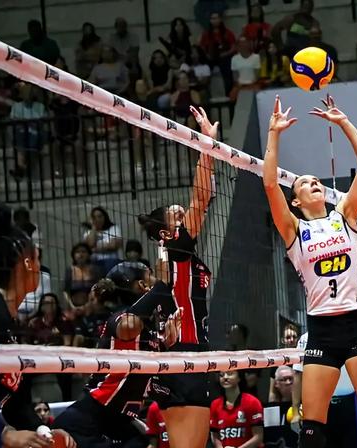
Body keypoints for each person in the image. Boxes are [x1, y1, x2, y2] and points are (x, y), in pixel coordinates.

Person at [263, 95, 357, 448]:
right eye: (304, 183)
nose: (313, 183)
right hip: (321, 331)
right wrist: (274, 134)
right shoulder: (293, 231)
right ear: (297, 202)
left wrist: (343, 123)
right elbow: (270, 185)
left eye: (316, 180)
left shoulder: (345, 216)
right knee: (312, 429)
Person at [136, 106, 217, 448]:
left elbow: (202, 199)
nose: (182, 212)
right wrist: (206, 145)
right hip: (183, 352)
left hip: (191, 354)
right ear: (165, 234)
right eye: (175, 215)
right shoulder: (177, 250)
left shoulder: (177, 254)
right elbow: (203, 195)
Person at [54, 262, 181, 448]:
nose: (155, 279)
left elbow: (145, 376)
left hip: (116, 422)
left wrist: (167, 344)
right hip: (86, 421)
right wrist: (162, 284)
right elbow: (129, 326)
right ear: (142, 286)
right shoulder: (119, 317)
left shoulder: (147, 330)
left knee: (141, 442)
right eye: (151, 276)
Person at [0, 204, 76, 448]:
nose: (39, 265)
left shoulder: (5, 316)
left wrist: (43, 430)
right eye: (38, 257)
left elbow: (16, 401)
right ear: (27, 263)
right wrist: (4, 434)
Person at [292, 331, 357, 448]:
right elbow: (298, 374)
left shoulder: (354, 334)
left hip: (351, 406)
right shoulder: (306, 338)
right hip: (319, 406)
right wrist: (296, 412)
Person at [210, 371, 265, 448]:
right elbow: (215, 437)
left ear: (239, 378)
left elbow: (258, 437)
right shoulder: (215, 405)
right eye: (221, 375)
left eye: (230, 374)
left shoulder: (252, 402)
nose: (225, 377)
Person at [200, 12, 237, 96]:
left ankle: (229, 94)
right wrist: (207, 55)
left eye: (216, 18)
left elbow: (233, 47)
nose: (215, 20)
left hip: (225, 57)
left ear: (220, 19)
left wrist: (225, 54)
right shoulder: (206, 34)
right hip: (210, 58)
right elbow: (202, 48)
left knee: (228, 71)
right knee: (205, 69)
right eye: (212, 18)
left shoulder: (228, 32)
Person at [82, 206, 123, 276]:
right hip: (94, 261)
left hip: (110, 260)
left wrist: (94, 248)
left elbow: (113, 246)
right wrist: (94, 228)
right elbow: (89, 245)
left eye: (100, 216)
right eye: (94, 217)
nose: (97, 219)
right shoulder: (89, 232)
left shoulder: (113, 228)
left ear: (105, 217)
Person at [230, 36, 261, 101]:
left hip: (253, 84)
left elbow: (257, 75)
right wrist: (240, 85)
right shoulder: (234, 59)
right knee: (233, 95)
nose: (244, 46)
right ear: (238, 47)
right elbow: (235, 76)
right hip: (240, 85)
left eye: (245, 43)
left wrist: (250, 84)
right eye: (241, 44)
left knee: (259, 94)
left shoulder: (256, 57)